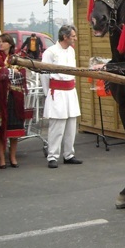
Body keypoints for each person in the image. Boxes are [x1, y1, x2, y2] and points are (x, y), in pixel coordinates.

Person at [41, 25, 83, 168]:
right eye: (73, 36)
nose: (75, 39)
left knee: (71, 125)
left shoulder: (71, 51)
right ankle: (52, 156)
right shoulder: (50, 52)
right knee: (57, 126)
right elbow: (44, 75)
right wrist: (48, 94)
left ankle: (69, 154)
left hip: (70, 91)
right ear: (65, 37)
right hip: (57, 91)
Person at [0, 33, 27, 169]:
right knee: (0, 129)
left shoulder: (17, 56)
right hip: (0, 97)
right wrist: (10, 72)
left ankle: (13, 156)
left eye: (3, 42)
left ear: (10, 43)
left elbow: (22, 72)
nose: (1, 44)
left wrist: (9, 72)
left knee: (14, 129)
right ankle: (1, 158)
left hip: (15, 96)